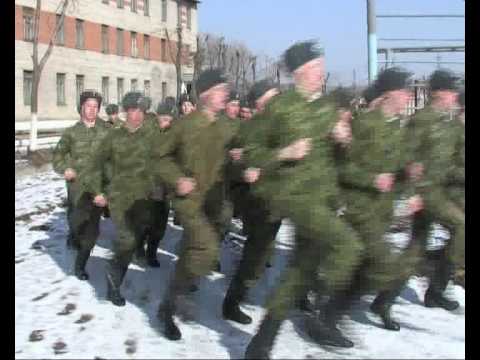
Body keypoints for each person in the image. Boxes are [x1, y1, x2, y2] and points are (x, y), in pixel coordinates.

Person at [243, 40, 364, 358]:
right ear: (297, 73)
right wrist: (285, 151)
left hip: (324, 198)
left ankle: (261, 341)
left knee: (297, 272)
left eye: (321, 68)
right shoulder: (279, 108)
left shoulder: (326, 107)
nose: (319, 74)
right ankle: (323, 314)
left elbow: (341, 159)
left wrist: (345, 140)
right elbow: (252, 154)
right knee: (348, 245)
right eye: (313, 69)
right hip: (296, 197)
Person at [371, 69, 464, 331]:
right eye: (450, 90)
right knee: (462, 226)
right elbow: (406, 158)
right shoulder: (420, 121)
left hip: (440, 190)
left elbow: (451, 163)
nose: (454, 95)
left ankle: (385, 301)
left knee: (413, 251)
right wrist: (411, 192)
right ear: (438, 93)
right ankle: (436, 286)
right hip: (426, 192)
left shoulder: (447, 123)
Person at [151, 69, 236, 341]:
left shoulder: (226, 126)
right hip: (189, 201)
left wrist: (242, 157)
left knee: (193, 252)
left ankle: (174, 297)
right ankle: (168, 308)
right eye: (221, 90)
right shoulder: (184, 125)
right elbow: (159, 158)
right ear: (207, 94)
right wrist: (177, 179)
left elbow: (245, 148)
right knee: (206, 247)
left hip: (214, 200)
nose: (227, 94)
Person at [83, 91, 159, 306]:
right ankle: (113, 282)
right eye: (133, 110)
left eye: (141, 110)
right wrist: (97, 191)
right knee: (126, 239)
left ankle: (119, 264)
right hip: (119, 197)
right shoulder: (113, 137)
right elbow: (94, 165)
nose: (137, 115)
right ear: (126, 111)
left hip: (144, 197)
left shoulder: (151, 136)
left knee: (134, 238)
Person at [222, 79, 283, 325]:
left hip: (283, 198)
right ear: (258, 105)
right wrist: (246, 170)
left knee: (263, 253)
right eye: (269, 100)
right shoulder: (245, 131)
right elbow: (230, 167)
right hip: (258, 200)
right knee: (255, 255)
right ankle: (231, 303)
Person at [52, 90, 108, 280]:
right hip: (77, 188)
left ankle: (80, 266)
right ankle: (74, 235)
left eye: (95, 107)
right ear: (81, 108)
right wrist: (65, 169)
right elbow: (57, 157)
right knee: (76, 224)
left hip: (98, 189)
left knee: (91, 231)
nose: (92, 110)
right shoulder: (71, 133)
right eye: (88, 106)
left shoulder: (107, 130)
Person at [134, 99, 178, 268]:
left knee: (159, 227)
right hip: (146, 186)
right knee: (143, 223)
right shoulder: (145, 132)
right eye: (162, 118)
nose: (164, 122)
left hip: (165, 189)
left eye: (168, 119)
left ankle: (151, 252)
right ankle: (138, 250)